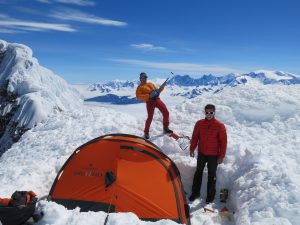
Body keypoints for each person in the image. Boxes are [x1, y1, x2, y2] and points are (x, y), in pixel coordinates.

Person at [189, 104, 227, 203]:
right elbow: (195, 137)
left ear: (214, 112)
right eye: (207, 112)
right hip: (202, 153)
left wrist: (221, 156)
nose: (209, 114)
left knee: (212, 175)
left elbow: (223, 142)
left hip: (213, 155)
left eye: (211, 112)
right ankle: (195, 193)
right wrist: (192, 149)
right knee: (198, 173)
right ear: (204, 112)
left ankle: (210, 198)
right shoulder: (199, 123)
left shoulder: (220, 125)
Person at [136, 72, 173, 139]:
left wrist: (162, 86)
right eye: (144, 77)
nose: (146, 78)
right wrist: (148, 96)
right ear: (140, 78)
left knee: (166, 112)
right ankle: (146, 132)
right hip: (149, 102)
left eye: (146, 77)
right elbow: (138, 97)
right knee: (150, 117)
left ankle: (165, 128)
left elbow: (157, 91)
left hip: (157, 100)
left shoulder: (151, 84)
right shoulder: (140, 87)